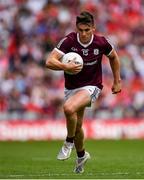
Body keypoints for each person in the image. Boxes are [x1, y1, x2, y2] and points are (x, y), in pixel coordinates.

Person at [45, 11, 121, 173]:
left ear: (93, 28)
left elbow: (113, 57)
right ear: (76, 28)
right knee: (77, 125)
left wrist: (117, 81)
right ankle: (81, 155)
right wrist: (66, 66)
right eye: (81, 30)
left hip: (92, 87)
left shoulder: (101, 42)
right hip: (71, 88)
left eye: (87, 30)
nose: (84, 33)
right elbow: (49, 61)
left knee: (68, 108)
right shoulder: (69, 41)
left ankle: (68, 142)